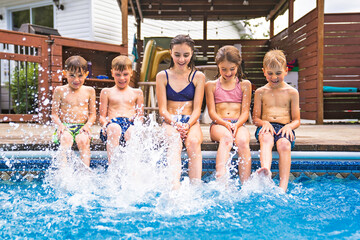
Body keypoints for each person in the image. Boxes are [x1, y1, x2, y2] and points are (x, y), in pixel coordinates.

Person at [156, 34, 205, 189]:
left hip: (191, 120)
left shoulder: (198, 76)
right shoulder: (162, 76)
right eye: (177, 55)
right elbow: (162, 109)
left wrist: (187, 125)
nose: (181, 59)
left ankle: (195, 187)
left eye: (186, 55)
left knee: (193, 142)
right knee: (174, 142)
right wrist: (176, 124)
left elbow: (198, 109)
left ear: (191, 54)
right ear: (171, 53)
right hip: (170, 121)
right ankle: (174, 188)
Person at [253, 49, 301, 192]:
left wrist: (289, 127)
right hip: (266, 126)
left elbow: (297, 120)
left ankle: (283, 186)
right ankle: (266, 170)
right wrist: (264, 123)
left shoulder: (292, 93)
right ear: (264, 71)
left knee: (284, 145)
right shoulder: (260, 92)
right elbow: (255, 119)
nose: (274, 77)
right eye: (270, 73)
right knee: (266, 138)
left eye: (278, 73)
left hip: (285, 126)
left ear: (286, 71)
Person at [205, 46, 252, 184]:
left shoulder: (245, 85)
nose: (228, 72)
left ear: (238, 65)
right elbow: (212, 113)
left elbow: (245, 112)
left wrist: (236, 125)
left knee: (243, 141)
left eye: (232, 69)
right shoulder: (211, 85)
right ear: (218, 66)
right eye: (223, 69)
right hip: (219, 124)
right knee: (226, 139)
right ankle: (221, 178)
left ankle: (246, 184)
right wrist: (225, 124)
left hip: (238, 123)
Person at [51, 55, 96, 167]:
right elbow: (54, 114)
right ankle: (63, 172)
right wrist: (60, 125)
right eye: (72, 75)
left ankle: (85, 172)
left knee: (83, 141)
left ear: (86, 74)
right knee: (65, 139)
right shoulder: (59, 90)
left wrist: (87, 125)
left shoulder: (89, 91)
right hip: (65, 126)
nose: (76, 80)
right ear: (64, 73)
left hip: (82, 126)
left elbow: (93, 114)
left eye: (80, 76)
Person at [99, 55, 144, 163]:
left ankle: (133, 170)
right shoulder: (106, 92)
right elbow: (102, 117)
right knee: (114, 129)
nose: (122, 78)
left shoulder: (137, 92)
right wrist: (105, 124)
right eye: (118, 75)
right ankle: (113, 168)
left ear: (131, 73)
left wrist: (136, 120)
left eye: (125, 74)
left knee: (133, 132)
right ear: (112, 73)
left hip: (129, 125)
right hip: (112, 126)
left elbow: (140, 117)